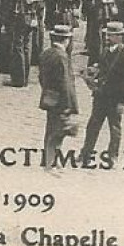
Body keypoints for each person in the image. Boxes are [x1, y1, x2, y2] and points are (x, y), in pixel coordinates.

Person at [79, 21, 124, 165]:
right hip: (100, 96)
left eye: (111, 35)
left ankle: (113, 156)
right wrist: (92, 72)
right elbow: (102, 68)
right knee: (92, 126)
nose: (107, 37)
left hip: (115, 98)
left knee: (114, 128)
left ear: (119, 37)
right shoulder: (105, 50)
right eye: (107, 34)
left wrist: (123, 102)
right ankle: (85, 153)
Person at [37, 25, 80, 167]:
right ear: (66, 40)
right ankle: (51, 162)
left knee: (50, 129)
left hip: (49, 97)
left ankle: (48, 159)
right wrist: (71, 106)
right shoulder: (62, 57)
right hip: (61, 100)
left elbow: (41, 77)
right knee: (58, 133)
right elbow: (66, 83)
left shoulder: (47, 53)